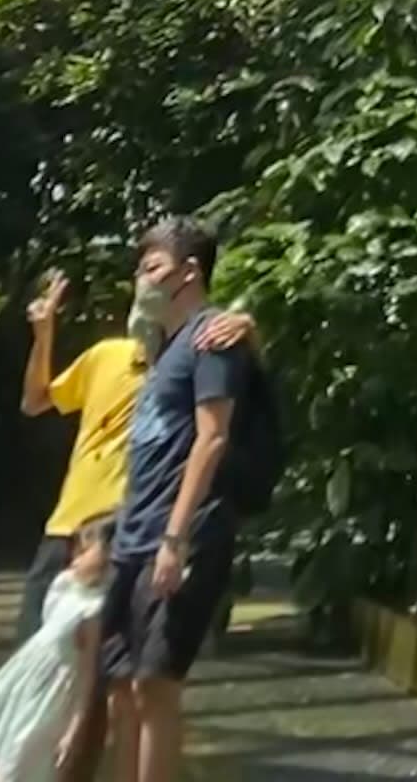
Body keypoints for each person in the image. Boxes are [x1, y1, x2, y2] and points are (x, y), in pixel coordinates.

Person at [80, 221, 278, 782]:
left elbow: (212, 437)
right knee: (121, 687)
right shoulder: (165, 350)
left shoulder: (213, 339)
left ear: (189, 272)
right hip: (134, 535)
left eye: (153, 269)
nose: (140, 280)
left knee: (155, 685)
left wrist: (176, 536)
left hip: (181, 534)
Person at [15, 275, 253, 637]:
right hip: (65, 526)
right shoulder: (106, 356)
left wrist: (245, 327)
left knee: (105, 656)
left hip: (126, 530)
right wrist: (43, 335)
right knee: (31, 650)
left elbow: (221, 422)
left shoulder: (197, 365)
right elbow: (35, 401)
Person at [0, 523, 110, 782]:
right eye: (76, 553)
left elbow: (87, 675)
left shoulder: (92, 610)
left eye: (85, 553)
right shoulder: (65, 586)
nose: (75, 560)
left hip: (50, 694)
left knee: (16, 768)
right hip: (20, 681)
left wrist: (74, 730)